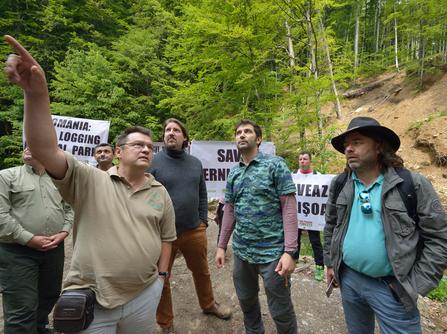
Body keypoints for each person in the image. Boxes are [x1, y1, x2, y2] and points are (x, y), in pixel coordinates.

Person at [4, 35, 177, 334]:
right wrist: (36, 96)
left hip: (145, 295)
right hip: (94, 301)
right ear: (118, 152)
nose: (147, 149)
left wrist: (161, 278)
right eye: (138, 144)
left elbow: (167, 238)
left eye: (150, 146)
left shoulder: (159, 192)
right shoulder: (89, 179)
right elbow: (45, 150)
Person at [323, 116, 447, 334]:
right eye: (346, 144)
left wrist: (415, 284)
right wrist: (330, 263)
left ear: (378, 146)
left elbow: (442, 240)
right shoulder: (340, 184)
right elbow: (331, 225)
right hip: (349, 280)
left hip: (392, 288)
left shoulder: (411, 185)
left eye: (356, 142)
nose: (348, 149)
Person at [216, 119, 299, 334]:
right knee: (246, 301)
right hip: (242, 253)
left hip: (273, 253)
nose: (241, 135)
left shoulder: (275, 165)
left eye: (247, 132)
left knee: (280, 308)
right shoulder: (234, 173)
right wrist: (221, 245)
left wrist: (290, 251)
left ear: (259, 139)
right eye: (238, 133)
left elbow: (289, 207)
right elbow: (230, 210)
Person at [150, 118, 231, 333]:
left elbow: (202, 192)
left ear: (184, 137)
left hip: (194, 229)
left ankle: (208, 304)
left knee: (202, 271)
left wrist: (203, 221)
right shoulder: (153, 162)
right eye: (167, 130)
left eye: (176, 130)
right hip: (163, 234)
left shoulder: (195, 162)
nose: (171, 133)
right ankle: (165, 323)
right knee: (163, 277)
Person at [0, 146, 73, 334]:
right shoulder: (6, 176)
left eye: (35, 144)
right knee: (21, 306)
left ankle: (39, 328)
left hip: (54, 249)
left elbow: (70, 208)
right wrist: (29, 239)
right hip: (17, 252)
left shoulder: (59, 180)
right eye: (27, 145)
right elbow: (1, 215)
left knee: (49, 296)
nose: (28, 148)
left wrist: (64, 232)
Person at [293, 151, 325, 281]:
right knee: (295, 240)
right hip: (296, 214)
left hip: (313, 216)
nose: (302, 161)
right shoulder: (293, 176)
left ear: (310, 161)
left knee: (315, 241)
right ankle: (294, 261)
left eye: (305, 159)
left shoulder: (318, 176)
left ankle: (319, 267)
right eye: (300, 159)